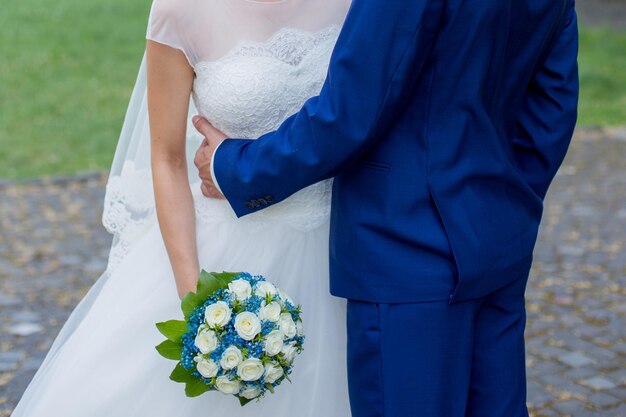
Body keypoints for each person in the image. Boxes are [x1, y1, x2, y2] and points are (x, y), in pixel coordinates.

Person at [192, 0, 579, 415]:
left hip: (405, 251)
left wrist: (236, 166)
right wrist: (501, 203)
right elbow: (550, 113)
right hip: (498, 245)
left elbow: (350, 113)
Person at [11, 0, 354, 415]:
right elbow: (168, 159)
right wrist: (198, 302)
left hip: (343, 247)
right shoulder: (179, 9)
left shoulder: (357, 5)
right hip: (224, 253)